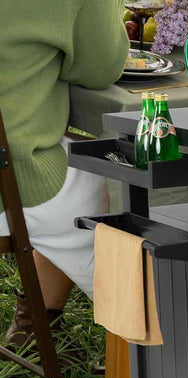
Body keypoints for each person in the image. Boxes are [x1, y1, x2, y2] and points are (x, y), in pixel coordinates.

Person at [0, 0, 129, 347]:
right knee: (109, 180)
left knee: (64, 158)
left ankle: (33, 326)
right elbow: (101, 68)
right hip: (13, 187)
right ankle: (142, 344)